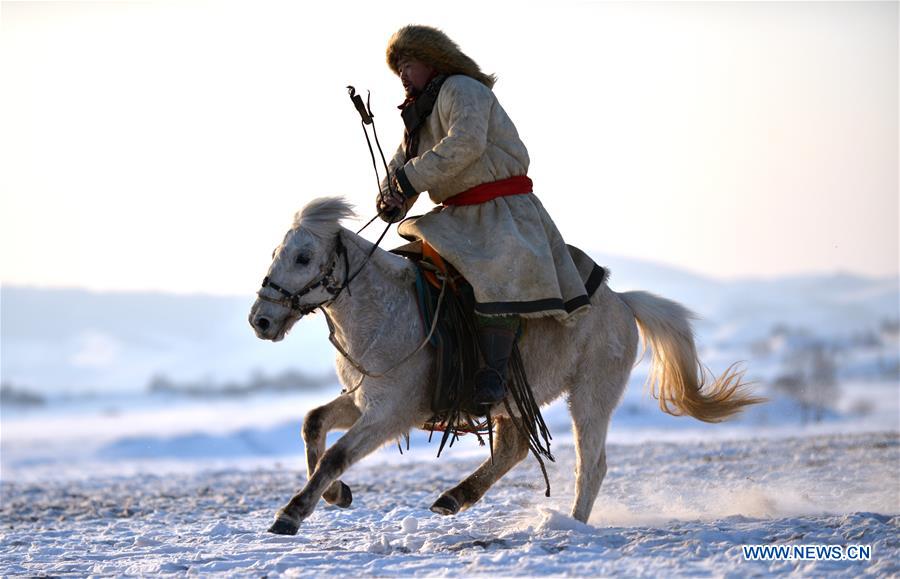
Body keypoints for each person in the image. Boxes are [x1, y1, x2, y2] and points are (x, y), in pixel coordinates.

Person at [377, 25, 591, 410]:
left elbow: (466, 143)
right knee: (405, 270)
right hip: (457, 214)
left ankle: (493, 374)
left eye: (408, 65)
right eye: (399, 71)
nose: (404, 77)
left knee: (496, 278)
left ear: (432, 60)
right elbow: (403, 161)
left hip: (501, 210)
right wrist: (392, 194)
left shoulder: (463, 89)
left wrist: (407, 180)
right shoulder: (419, 114)